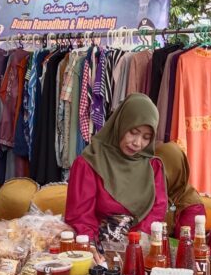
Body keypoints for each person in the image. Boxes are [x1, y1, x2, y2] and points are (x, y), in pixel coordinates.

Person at [65, 94, 167, 251]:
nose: (137, 143)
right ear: (121, 123)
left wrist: (136, 244)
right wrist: (90, 247)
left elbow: (157, 211)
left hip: (139, 249)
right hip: (97, 249)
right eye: (133, 132)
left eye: (146, 137)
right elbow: (80, 217)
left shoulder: (153, 167)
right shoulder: (90, 162)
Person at [155, 142, 205, 239]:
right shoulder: (150, 191)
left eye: (162, 174)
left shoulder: (192, 205)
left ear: (176, 173)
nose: (156, 178)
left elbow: (185, 244)